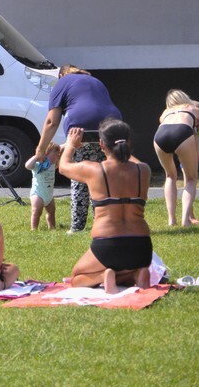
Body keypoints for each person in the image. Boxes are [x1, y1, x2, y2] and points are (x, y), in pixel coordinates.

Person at [60, 120, 153, 293]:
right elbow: (130, 159)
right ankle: (136, 274)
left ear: (101, 144)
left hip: (108, 245)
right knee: (127, 267)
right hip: (142, 247)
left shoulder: (94, 170)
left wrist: (71, 145)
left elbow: (63, 167)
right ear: (128, 142)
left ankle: (103, 275)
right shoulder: (144, 170)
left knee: (77, 277)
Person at [34, 64, 121, 233]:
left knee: (80, 175)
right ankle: (103, 223)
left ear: (61, 75)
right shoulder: (94, 80)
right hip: (112, 126)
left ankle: (77, 227)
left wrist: (41, 148)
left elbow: (52, 121)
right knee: (102, 176)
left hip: (82, 128)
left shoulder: (62, 82)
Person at [153, 90, 199, 227]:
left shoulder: (165, 113)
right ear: (185, 98)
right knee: (191, 179)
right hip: (182, 132)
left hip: (159, 136)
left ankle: (171, 221)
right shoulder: (194, 109)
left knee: (170, 176)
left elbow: (169, 130)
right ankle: (185, 221)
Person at [24, 143, 60, 230]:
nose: (57, 156)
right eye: (55, 154)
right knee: (36, 212)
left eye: (58, 154)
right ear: (46, 153)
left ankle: (52, 228)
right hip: (38, 194)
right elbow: (27, 166)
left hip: (49, 195)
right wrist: (37, 156)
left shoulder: (53, 165)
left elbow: (61, 158)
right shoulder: (38, 165)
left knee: (51, 212)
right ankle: (34, 229)